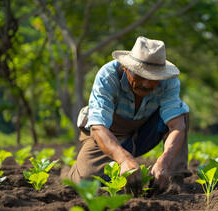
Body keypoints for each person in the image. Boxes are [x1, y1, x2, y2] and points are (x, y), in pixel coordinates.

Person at [62, 36, 190, 197]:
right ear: (126, 67)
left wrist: (165, 161)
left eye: (154, 79)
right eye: (141, 75)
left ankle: (175, 176)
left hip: (144, 131)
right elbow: (98, 127)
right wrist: (123, 159)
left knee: (181, 113)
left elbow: (176, 126)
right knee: (86, 182)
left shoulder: (168, 81)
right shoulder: (108, 76)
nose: (147, 84)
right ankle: (70, 172)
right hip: (109, 135)